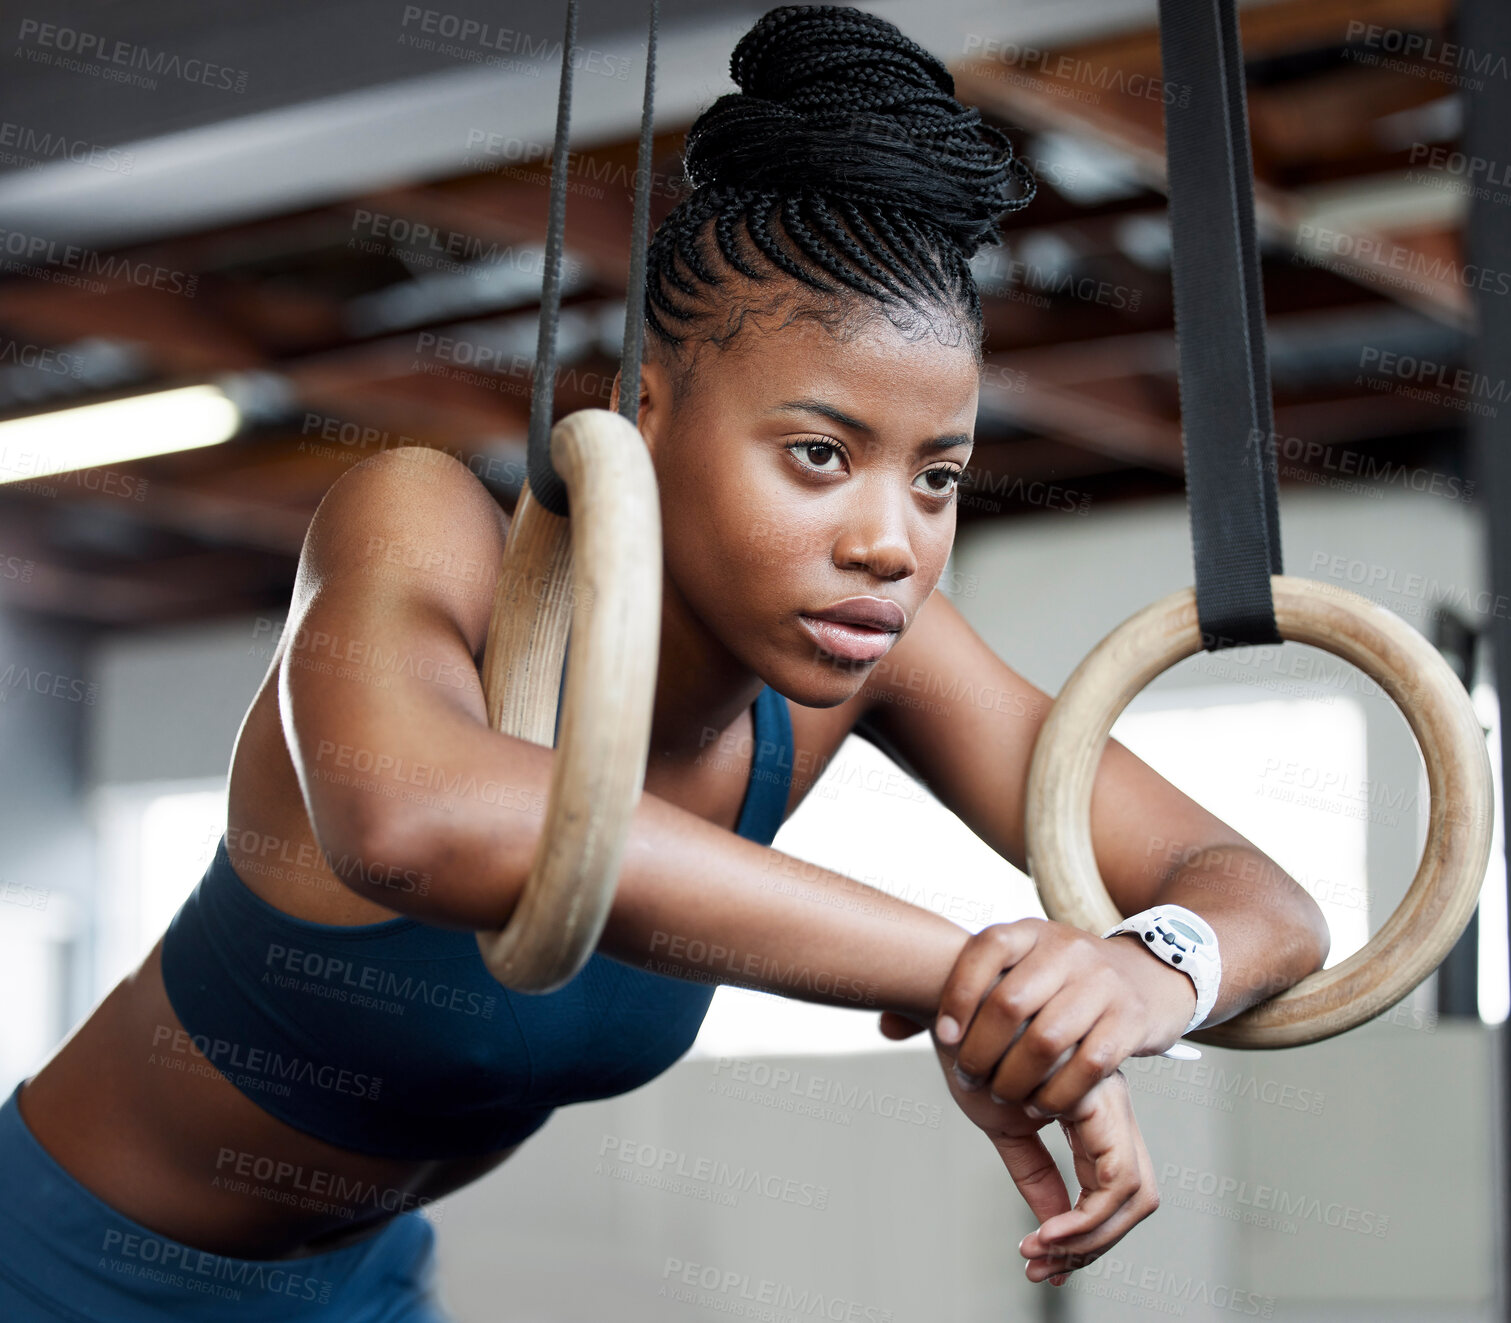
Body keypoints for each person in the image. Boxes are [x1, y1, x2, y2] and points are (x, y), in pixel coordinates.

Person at [0, 5, 1329, 1318]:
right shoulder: (427, 524)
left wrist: (1140, 973)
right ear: (646, 410)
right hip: (46, 1263)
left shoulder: (876, 657)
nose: (889, 541)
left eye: (938, 476)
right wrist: (978, 979)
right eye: (818, 455)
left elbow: (1262, 899)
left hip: (363, 1290)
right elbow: (421, 819)